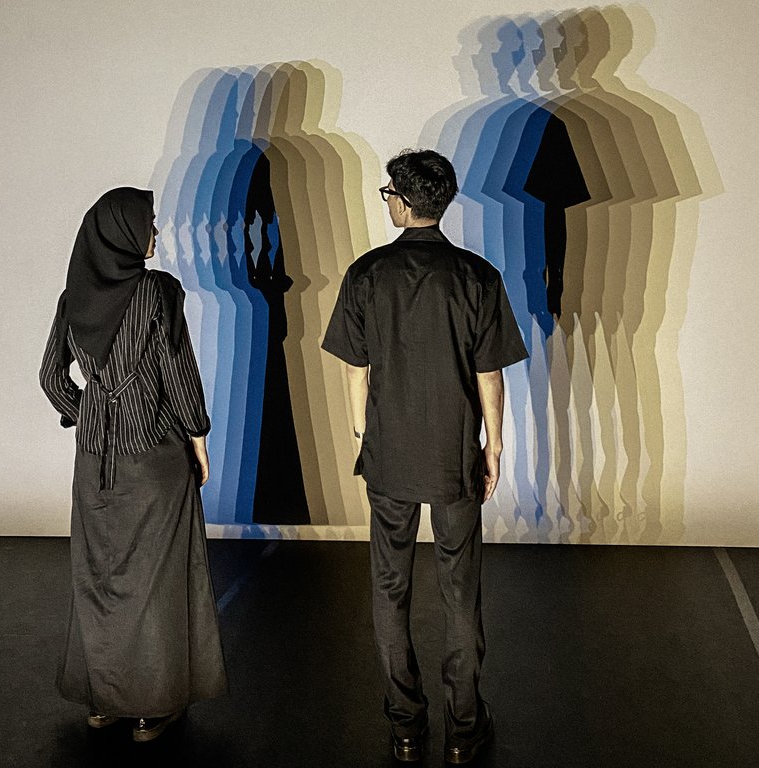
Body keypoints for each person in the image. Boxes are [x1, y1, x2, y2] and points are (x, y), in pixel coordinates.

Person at [322, 150, 528, 763]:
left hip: (389, 454)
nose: (386, 199)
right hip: (454, 454)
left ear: (404, 202)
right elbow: (489, 375)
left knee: (390, 587)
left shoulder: (366, 274)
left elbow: (355, 370)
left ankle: (406, 727)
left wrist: (362, 434)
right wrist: (494, 446)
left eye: (388, 192)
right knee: (460, 588)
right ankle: (464, 729)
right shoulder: (476, 277)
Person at [40, 187, 227, 742]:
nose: (156, 232)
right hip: (153, 458)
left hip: (93, 461)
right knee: (156, 581)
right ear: (122, 233)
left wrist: (91, 415)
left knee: (99, 579)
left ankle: (105, 701)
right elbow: (178, 370)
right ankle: (151, 706)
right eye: (149, 223)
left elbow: (50, 377)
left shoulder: (73, 298)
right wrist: (197, 435)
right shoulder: (157, 292)